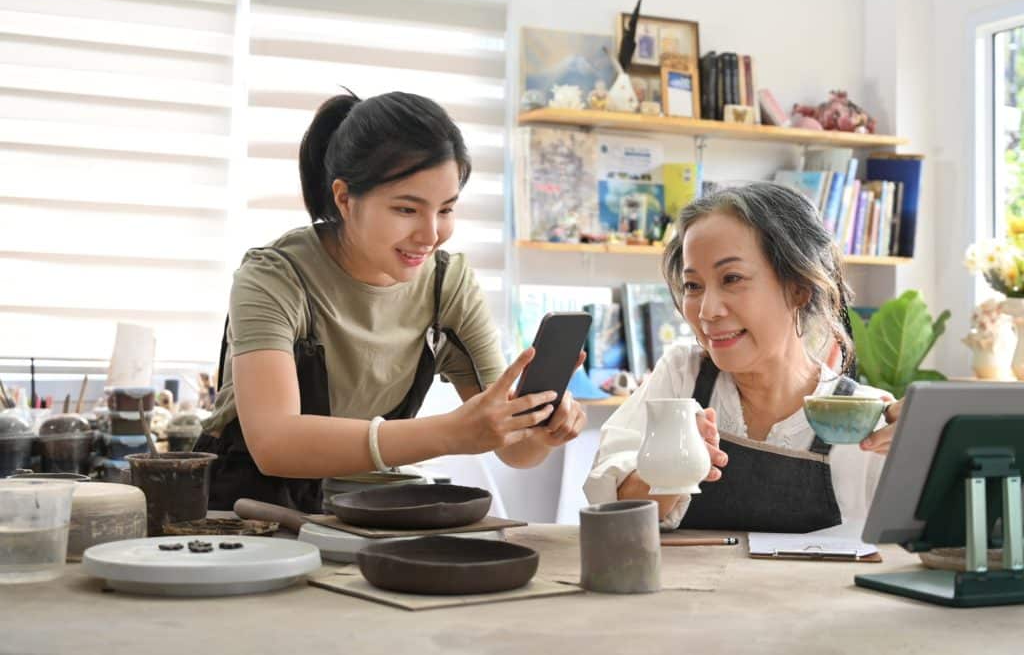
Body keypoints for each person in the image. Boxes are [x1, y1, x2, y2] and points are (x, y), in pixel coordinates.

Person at [196, 91, 585, 512]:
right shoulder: (273, 277)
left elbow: (514, 451)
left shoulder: (446, 284)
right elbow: (275, 443)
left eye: (446, 209)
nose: (430, 234)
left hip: (368, 508)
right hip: (249, 508)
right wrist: (451, 433)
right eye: (406, 209)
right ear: (344, 199)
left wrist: (540, 431)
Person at [584, 182, 900, 533]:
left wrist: (922, 453)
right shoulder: (682, 376)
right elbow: (610, 510)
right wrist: (672, 467)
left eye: (731, 278)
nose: (707, 310)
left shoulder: (867, 419)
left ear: (798, 288)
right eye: (693, 285)